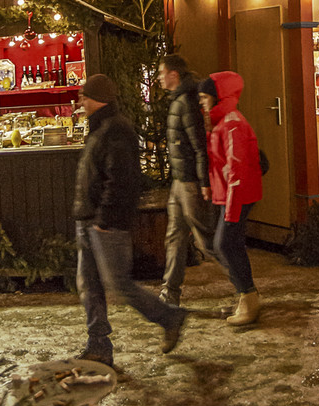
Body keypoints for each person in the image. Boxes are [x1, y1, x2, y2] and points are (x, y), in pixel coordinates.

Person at [72, 73, 188, 366]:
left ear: (96, 98)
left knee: (119, 285)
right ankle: (98, 345)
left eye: (84, 96)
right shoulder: (101, 127)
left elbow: (121, 180)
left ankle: (169, 316)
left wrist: (104, 219)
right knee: (90, 286)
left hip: (104, 223)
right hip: (89, 220)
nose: (80, 102)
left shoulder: (116, 130)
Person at [156, 54, 225, 309]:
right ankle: (169, 292)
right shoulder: (179, 100)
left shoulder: (185, 102)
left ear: (174, 74)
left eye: (162, 72)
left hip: (189, 183)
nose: (160, 77)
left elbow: (198, 146)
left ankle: (244, 286)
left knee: (205, 240)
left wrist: (203, 181)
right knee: (174, 236)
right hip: (179, 180)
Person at [204, 71, 264, 327]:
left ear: (218, 97)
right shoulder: (220, 121)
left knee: (225, 243)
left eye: (205, 97)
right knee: (229, 244)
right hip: (227, 194)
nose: (201, 102)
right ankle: (246, 296)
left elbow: (236, 171)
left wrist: (231, 208)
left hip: (237, 195)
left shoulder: (231, 124)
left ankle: (249, 298)